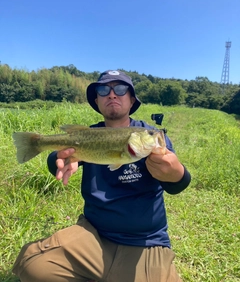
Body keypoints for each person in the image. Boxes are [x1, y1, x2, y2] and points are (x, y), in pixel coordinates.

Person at [13, 70, 191, 282]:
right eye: (103, 89)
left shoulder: (149, 135)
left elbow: (175, 185)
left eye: (121, 89)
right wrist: (58, 159)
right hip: (93, 234)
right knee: (32, 264)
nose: (112, 94)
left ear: (131, 99)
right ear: (97, 100)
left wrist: (177, 173)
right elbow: (59, 156)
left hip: (145, 241)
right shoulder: (88, 135)